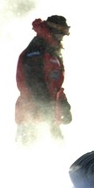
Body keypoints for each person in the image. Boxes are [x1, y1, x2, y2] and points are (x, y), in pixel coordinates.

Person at [15, 15, 72, 145]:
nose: (63, 36)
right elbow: (35, 84)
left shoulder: (53, 52)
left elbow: (55, 85)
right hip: (31, 115)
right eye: (61, 32)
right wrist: (46, 110)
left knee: (58, 147)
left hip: (48, 115)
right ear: (52, 30)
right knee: (30, 151)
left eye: (65, 32)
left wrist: (63, 105)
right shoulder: (36, 50)